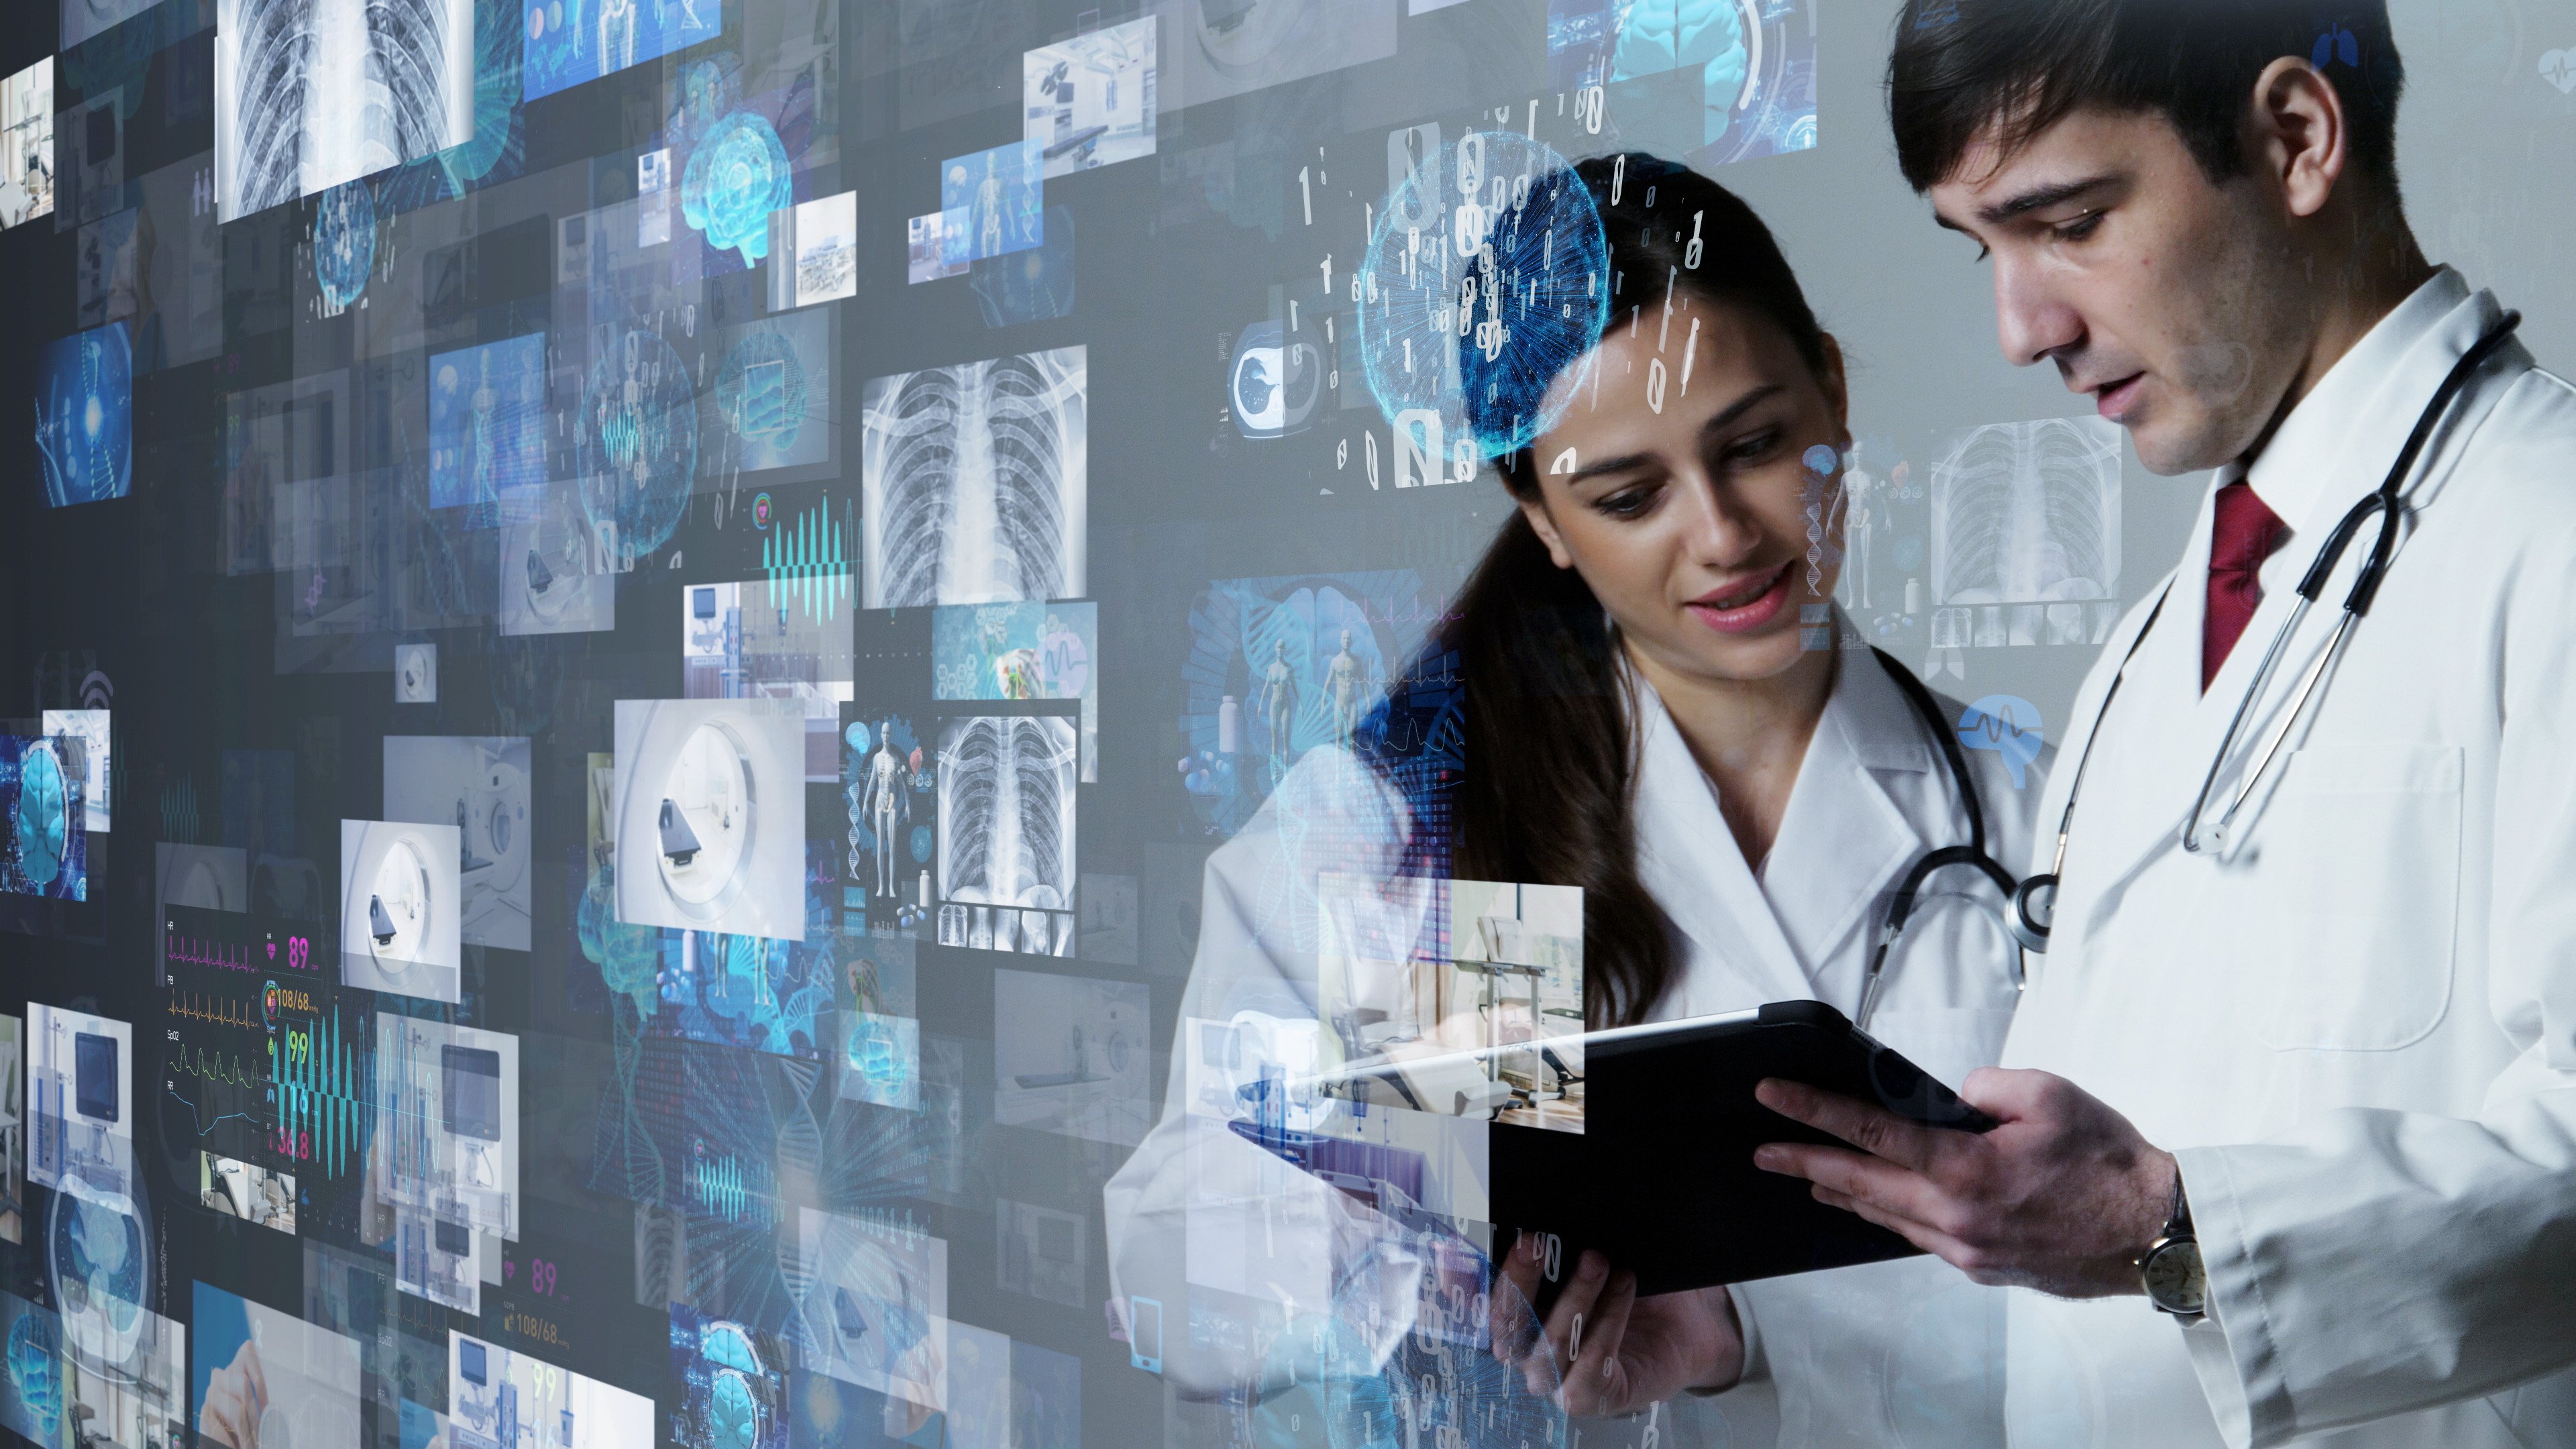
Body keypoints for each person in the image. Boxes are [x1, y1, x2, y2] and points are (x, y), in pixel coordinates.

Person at [1104, 154, 2047, 1444]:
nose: (1721, 535)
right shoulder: (1415, 841)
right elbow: (1164, 1254)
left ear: (1831, 387)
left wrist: (1738, 1327)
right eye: (1628, 495)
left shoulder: (2028, 808)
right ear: (1540, 512)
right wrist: (1413, 1259)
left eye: (1757, 444)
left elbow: (2131, 1249)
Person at [1752, 4, 2576, 1445]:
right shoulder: (2153, 641)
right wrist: (1731, 1339)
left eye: (2066, 221)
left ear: (2296, 139)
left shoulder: (2547, 535)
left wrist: (2174, 1228)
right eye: (1982, 249)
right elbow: (2075, 1276)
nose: (2020, 330)